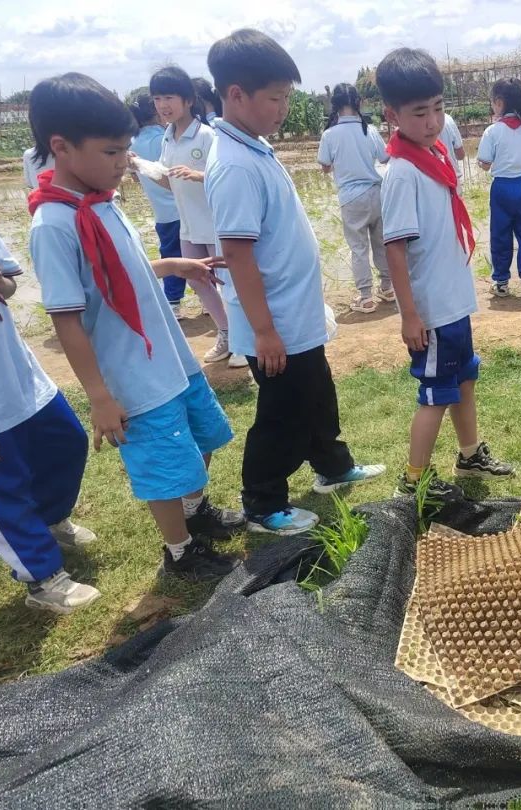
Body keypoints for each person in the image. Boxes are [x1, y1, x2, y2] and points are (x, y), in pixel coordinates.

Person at [27, 73, 242, 581]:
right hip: (132, 374)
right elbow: (67, 319)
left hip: (169, 355)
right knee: (163, 462)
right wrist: (100, 396)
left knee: (200, 435)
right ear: (61, 147)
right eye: (111, 152)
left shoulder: (100, 201)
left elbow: (119, 273)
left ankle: (195, 514)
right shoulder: (55, 225)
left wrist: (171, 267)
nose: (125, 161)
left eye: (126, 149)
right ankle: (180, 552)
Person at [205, 29, 385, 535]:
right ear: (236, 94)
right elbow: (238, 254)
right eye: (276, 98)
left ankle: (332, 466)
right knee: (283, 413)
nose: (284, 108)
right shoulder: (236, 164)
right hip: (275, 324)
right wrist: (263, 331)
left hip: (294, 315)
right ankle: (262, 503)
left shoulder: (254, 147)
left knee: (317, 395)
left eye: (287, 97)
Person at [375, 47, 514, 499]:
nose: (433, 121)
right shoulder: (401, 172)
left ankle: (469, 452)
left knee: (464, 378)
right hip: (431, 310)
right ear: (392, 114)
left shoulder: (433, 154)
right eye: (420, 113)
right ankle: (414, 480)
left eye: (438, 108)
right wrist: (409, 316)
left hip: (453, 301)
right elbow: (394, 249)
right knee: (435, 392)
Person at [0, 208, 100, 613]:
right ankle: (42, 578)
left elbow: (9, 286)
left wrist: (1, 283)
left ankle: (50, 521)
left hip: (19, 377)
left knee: (66, 443)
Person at [148, 65, 240, 367]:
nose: (163, 105)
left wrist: (198, 175)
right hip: (188, 226)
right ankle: (226, 334)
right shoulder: (167, 137)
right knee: (198, 282)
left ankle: (242, 340)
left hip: (214, 225)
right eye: (157, 98)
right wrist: (141, 168)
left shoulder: (206, 136)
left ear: (188, 100)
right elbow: (168, 180)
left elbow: (226, 177)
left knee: (229, 284)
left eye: (169, 97)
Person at [317, 82, 394, 314]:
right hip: (376, 193)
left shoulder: (329, 134)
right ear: (359, 103)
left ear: (335, 106)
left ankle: (365, 296)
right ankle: (388, 287)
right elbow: (385, 158)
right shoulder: (369, 130)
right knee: (381, 243)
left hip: (351, 198)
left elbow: (325, 166)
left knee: (359, 248)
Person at [478, 77, 521, 298]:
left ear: (500, 102)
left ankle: (501, 281)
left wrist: (486, 162)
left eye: (493, 102)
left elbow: (484, 163)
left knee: (500, 233)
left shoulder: (492, 131)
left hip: (502, 188)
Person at [128, 94, 185, 316]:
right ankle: (199, 299)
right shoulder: (166, 138)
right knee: (197, 254)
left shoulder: (133, 144)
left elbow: (135, 176)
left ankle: (173, 302)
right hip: (182, 208)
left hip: (161, 212)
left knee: (169, 254)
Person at [438, 111, 466, 188]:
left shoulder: (413, 125)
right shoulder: (447, 119)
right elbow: (460, 155)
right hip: (452, 178)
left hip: (432, 180)